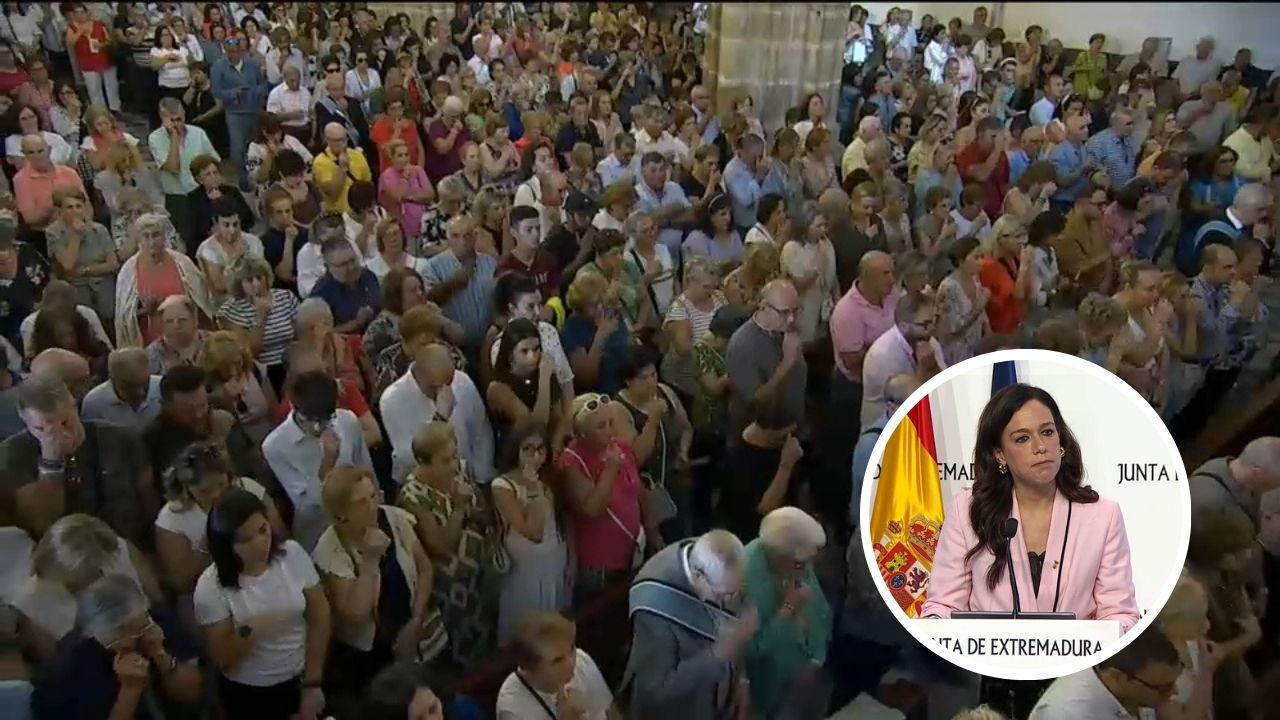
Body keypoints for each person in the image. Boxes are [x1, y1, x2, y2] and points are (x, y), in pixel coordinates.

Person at [922, 383, 1140, 630]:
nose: (1040, 446)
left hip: (1073, 655)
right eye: (1022, 438)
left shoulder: (1103, 516)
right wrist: (933, 626)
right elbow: (944, 605)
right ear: (1000, 455)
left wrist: (1105, 637)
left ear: (1061, 441)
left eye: (1047, 432)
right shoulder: (967, 511)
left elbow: (1119, 613)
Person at [193, 488, 331, 720]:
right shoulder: (210, 587)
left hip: (302, 676)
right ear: (226, 545)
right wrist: (250, 630)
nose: (259, 544)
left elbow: (320, 615)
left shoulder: (292, 554)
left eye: (262, 530)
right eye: (245, 540)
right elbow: (224, 660)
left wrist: (312, 683)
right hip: (252, 692)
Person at [313, 465, 445, 703]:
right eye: (361, 502)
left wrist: (417, 619)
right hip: (370, 653)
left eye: (373, 495)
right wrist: (370, 561)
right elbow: (355, 613)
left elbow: (424, 568)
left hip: (415, 632)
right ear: (341, 514)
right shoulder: (331, 548)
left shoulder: (394, 519)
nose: (372, 506)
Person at [397, 421, 504, 669]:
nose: (454, 464)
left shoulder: (460, 471)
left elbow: (484, 512)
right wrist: (458, 508)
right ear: (423, 462)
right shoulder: (411, 496)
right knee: (464, 657)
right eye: (445, 460)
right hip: (452, 597)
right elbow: (440, 545)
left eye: (454, 455)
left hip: (480, 580)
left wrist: (475, 513)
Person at [1, 372, 151, 544]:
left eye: (64, 423)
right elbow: (42, 525)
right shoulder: (14, 454)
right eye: (40, 429)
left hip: (125, 544)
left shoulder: (120, 437)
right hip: (64, 552)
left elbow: (148, 501)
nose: (60, 435)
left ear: (74, 405)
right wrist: (51, 461)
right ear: (25, 422)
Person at [623, 529, 757, 720]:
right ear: (699, 577)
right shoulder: (654, 608)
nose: (730, 601)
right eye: (724, 595)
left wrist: (742, 679)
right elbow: (655, 692)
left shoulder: (716, 558)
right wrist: (717, 655)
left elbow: (738, 618)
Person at [30, 572, 203, 719]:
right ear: (92, 632)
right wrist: (130, 690)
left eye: (133, 627)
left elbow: (196, 695)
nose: (128, 641)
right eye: (117, 633)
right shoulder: (69, 669)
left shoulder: (161, 624)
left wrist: (161, 655)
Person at [154, 440, 285, 596]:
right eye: (204, 491)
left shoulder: (248, 488)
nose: (216, 495)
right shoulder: (172, 518)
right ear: (185, 489)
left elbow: (281, 534)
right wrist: (206, 548)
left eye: (221, 485)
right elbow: (183, 582)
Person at [262, 368, 374, 550]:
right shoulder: (275, 446)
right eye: (312, 421)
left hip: (360, 516)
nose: (319, 427)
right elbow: (304, 504)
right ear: (293, 407)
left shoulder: (347, 421)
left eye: (326, 419)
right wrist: (326, 464)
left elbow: (365, 469)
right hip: (318, 530)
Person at [741, 508, 833, 718]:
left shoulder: (797, 560)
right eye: (801, 564)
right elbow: (748, 651)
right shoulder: (743, 580)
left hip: (804, 674)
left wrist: (817, 657)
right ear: (778, 555)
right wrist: (787, 610)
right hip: (767, 689)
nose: (807, 569)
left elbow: (820, 609)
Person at [491, 424, 571, 646]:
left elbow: (565, 521)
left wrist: (571, 561)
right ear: (516, 450)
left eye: (540, 449)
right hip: (525, 571)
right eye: (527, 449)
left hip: (554, 561)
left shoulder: (550, 479)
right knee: (526, 630)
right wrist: (533, 490)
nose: (534, 456)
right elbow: (533, 533)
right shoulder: (502, 485)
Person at [381, 342, 494, 485]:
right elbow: (409, 457)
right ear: (419, 375)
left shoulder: (462, 381)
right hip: (423, 487)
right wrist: (440, 418)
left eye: (449, 382)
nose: (445, 392)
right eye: (436, 387)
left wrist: (482, 478)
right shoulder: (392, 399)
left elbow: (481, 432)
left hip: (467, 481)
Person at [1028, 625, 1182, 718]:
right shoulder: (1068, 713)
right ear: (1117, 677)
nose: (1174, 691)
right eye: (1164, 688)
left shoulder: (1136, 690)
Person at [115, 212, 215, 348]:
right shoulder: (128, 272)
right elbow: (124, 319)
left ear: (164, 236)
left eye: (156, 235)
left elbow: (202, 302)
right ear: (139, 239)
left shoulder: (183, 263)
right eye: (146, 236)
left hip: (187, 339)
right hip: (150, 344)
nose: (151, 242)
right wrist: (146, 310)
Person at [725, 279, 807, 444]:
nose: (791, 319)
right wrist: (786, 364)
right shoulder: (743, 344)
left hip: (792, 428)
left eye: (796, 310)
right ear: (763, 307)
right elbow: (756, 402)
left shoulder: (787, 329)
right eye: (784, 312)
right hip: (757, 441)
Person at [496, 611, 620, 720]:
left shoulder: (581, 659)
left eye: (572, 648)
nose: (572, 663)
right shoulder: (513, 710)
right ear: (530, 668)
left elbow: (612, 712)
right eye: (557, 660)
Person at [79, 347, 161, 430]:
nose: (141, 392)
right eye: (130, 386)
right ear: (112, 379)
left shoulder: (163, 388)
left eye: (145, 383)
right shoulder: (94, 403)